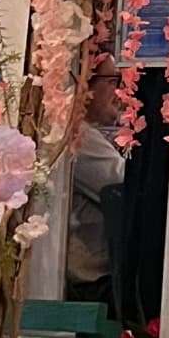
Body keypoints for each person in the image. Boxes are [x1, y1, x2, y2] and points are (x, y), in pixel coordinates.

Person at [65, 63, 124, 307]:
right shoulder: (80, 136)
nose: (119, 92)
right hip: (89, 288)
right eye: (113, 81)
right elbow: (122, 180)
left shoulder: (91, 134)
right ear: (87, 85)